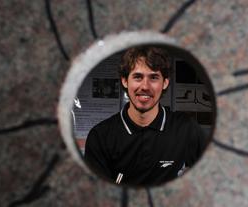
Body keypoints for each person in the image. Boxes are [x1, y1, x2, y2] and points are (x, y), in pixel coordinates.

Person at [84, 46, 209, 186]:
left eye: (154, 77)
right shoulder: (100, 137)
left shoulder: (186, 129)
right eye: (137, 77)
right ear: (125, 80)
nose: (145, 86)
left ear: (165, 83)